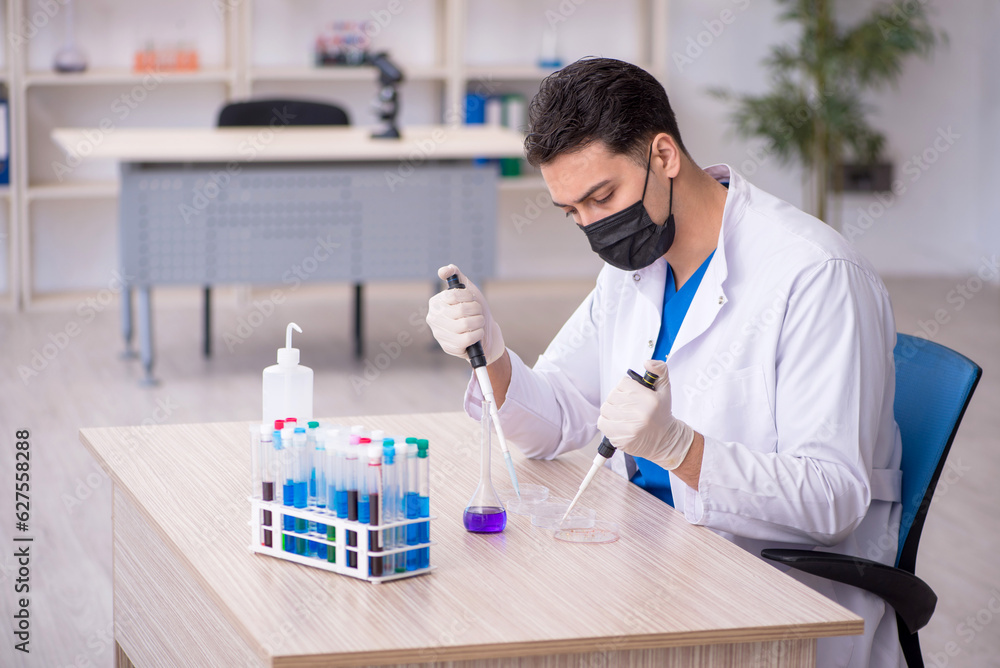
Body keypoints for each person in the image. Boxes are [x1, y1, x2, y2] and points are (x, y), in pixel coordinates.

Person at [426, 57, 903, 668]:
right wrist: (488, 352)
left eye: (602, 196)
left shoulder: (814, 276)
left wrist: (680, 448)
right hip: (648, 550)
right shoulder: (635, 268)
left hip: (767, 598)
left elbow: (833, 500)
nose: (594, 227)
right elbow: (552, 424)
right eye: (573, 212)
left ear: (664, 156)